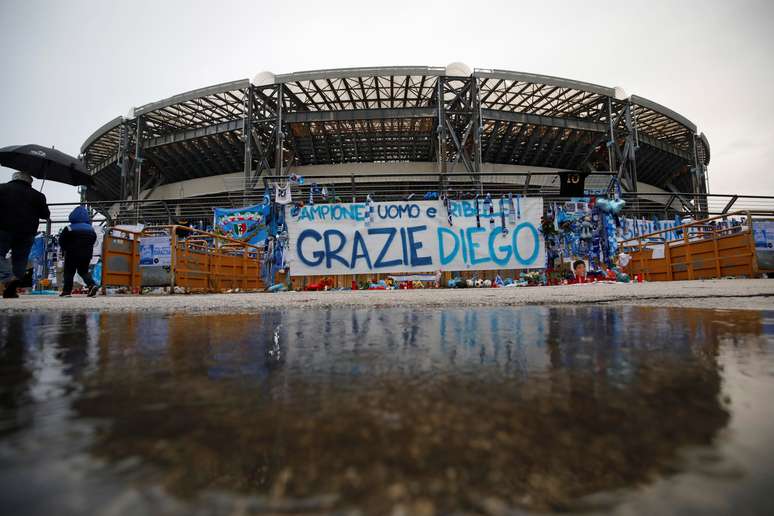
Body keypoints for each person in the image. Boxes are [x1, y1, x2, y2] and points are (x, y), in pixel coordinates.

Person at [0, 172, 50, 298]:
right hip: (27, 232)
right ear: (30, 182)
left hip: (3, 229)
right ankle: (12, 288)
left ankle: (8, 277)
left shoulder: (2, 188)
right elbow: (45, 215)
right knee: (20, 260)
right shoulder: (38, 195)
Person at [58, 206, 98, 297]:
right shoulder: (91, 229)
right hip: (86, 255)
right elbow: (93, 240)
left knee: (69, 272)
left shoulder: (69, 228)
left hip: (72, 254)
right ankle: (92, 285)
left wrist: (65, 249)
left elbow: (61, 240)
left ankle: (67, 292)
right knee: (83, 271)